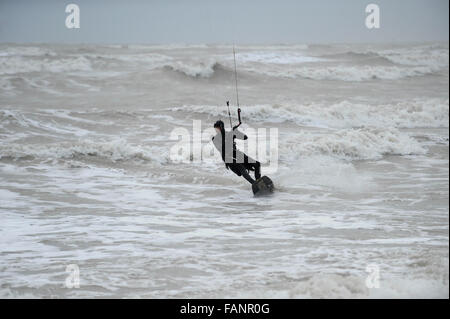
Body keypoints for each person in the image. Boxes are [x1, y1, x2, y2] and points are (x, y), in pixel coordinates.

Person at [212, 120, 261, 184]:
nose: (216, 130)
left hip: (236, 153)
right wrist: (229, 137)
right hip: (228, 158)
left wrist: (237, 132)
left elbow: (245, 137)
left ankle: (259, 182)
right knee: (241, 166)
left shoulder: (229, 133)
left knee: (257, 164)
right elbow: (221, 149)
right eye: (215, 129)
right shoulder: (215, 138)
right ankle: (254, 183)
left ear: (222, 127)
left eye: (217, 128)